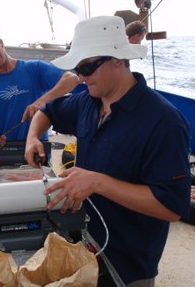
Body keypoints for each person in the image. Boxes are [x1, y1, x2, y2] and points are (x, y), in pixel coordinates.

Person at [25, 16, 191, 286]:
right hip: (84, 245)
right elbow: (47, 111)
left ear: (118, 59)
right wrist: (33, 138)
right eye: (78, 69)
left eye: (88, 67)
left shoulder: (164, 122)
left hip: (128, 265)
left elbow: (171, 207)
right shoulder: (88, 102)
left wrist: (98, 182)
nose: (81, 77)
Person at [0, 29, 80, 148]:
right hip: (6, 151)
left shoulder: (34, 68)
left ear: (1, 43)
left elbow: (72, 79)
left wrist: (41, 102)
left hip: (38, 147)